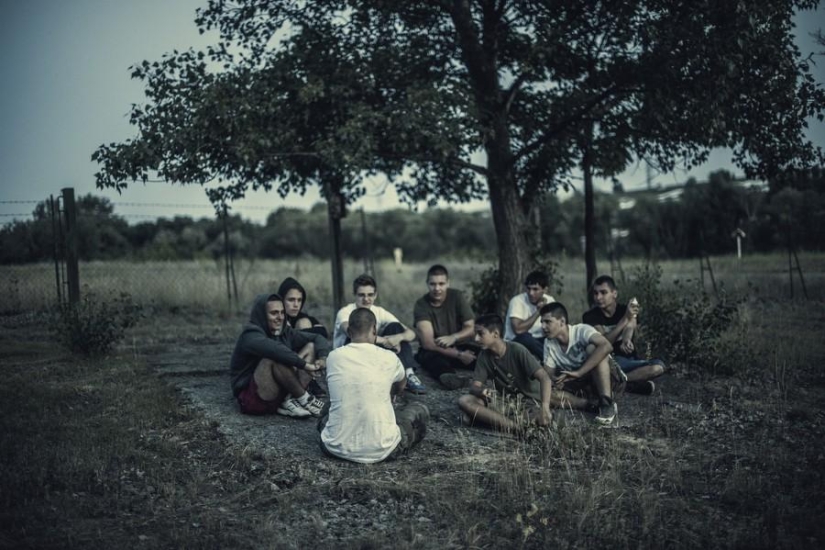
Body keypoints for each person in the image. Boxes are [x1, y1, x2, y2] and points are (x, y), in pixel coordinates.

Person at [318, 308, 430, 463]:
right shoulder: (390, 357)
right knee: (419, 409)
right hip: (384, 450)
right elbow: (400, 386)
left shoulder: (333, 356)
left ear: (349, 332)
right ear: (375, 330)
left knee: (329, 405)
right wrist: (390, 394)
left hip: (335, 448)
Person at [229, 293, 329, 418]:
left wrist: (323, 358)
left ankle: (290, 400)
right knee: (273, 357)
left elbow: (318, 337)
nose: (280, 317)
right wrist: (304, 365)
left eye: (282, 312)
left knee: (310, 346)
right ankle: (306, 400)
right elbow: (275, 350)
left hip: (279, 394)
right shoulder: (250, 334)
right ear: (262, 315)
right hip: (252, 398)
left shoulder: (285, 331)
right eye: (274, 313)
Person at [458, 314, 553, 435]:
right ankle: (515, 428)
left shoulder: (517, 350)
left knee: (537, 420)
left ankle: (489, 420)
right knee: (464, 400)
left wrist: (545, 408)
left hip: (529, 404)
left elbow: (545, 378)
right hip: (505, 402)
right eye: (475, 334)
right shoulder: (484, 355)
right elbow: (474, 386)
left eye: (481, 334)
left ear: (496, 334)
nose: (476, 339)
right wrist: (480, 391)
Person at [332, 274, 427, 394]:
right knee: (354, 336)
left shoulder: (379, 311)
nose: (366, 299)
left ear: (375, 295)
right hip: (348, 357)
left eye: (370, 295)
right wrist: (385, 341)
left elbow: (411, 334)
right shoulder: (345, 312)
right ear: (354, 295)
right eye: (361, 295)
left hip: (370, 355)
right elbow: (353, 333)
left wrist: (398, 338)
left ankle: (409, 374)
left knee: (395, 327)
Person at [540, 302, 621, 425]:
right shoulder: (549, 342)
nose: (543, 326)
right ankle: (590, 405)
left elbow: (607, 346)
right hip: (582, 385)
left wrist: (579, 372)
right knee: (546, 393)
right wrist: (556, 381)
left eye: (547, 322)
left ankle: (606, 403)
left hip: (606, 377)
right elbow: (548, 374)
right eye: (542, 322)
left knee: (594, 349)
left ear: (562, 321)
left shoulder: (581, 330)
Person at [582, 275, 665, 395]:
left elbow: (630, 326)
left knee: (658, 366)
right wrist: (624, 319)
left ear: (614, 294)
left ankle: (618, 383)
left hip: (629, 361)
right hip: (609, 361)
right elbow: (603, 342)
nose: (598, 297)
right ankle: (630, 384)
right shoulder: (590, 316)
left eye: (603, 293)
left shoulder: (625, 310)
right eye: (595, 293)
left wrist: (626, 340)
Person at [413, 264, 477, 390]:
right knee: (431, 358)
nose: (437, 288)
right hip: (436, 349)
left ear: (448, 283)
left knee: (480, 356)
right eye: (433, 284)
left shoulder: (457, 296)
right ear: (427, 284)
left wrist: (454, 337)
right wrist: (459, 355)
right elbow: (428, 343)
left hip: (458, 344)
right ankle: (450, 379)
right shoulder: (421, 304)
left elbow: (470, 327)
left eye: (441, 284)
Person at [503, 270, 556, 360]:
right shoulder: (517, 301)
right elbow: (518, 330)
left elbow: (554, 328)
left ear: (545, 290)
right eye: (529, 289)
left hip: (540, 341)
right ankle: (551, 361)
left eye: (535, 289)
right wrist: (539, 312)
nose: (531, 293)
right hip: (517, 341)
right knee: (525, 338)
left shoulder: (550, 301)